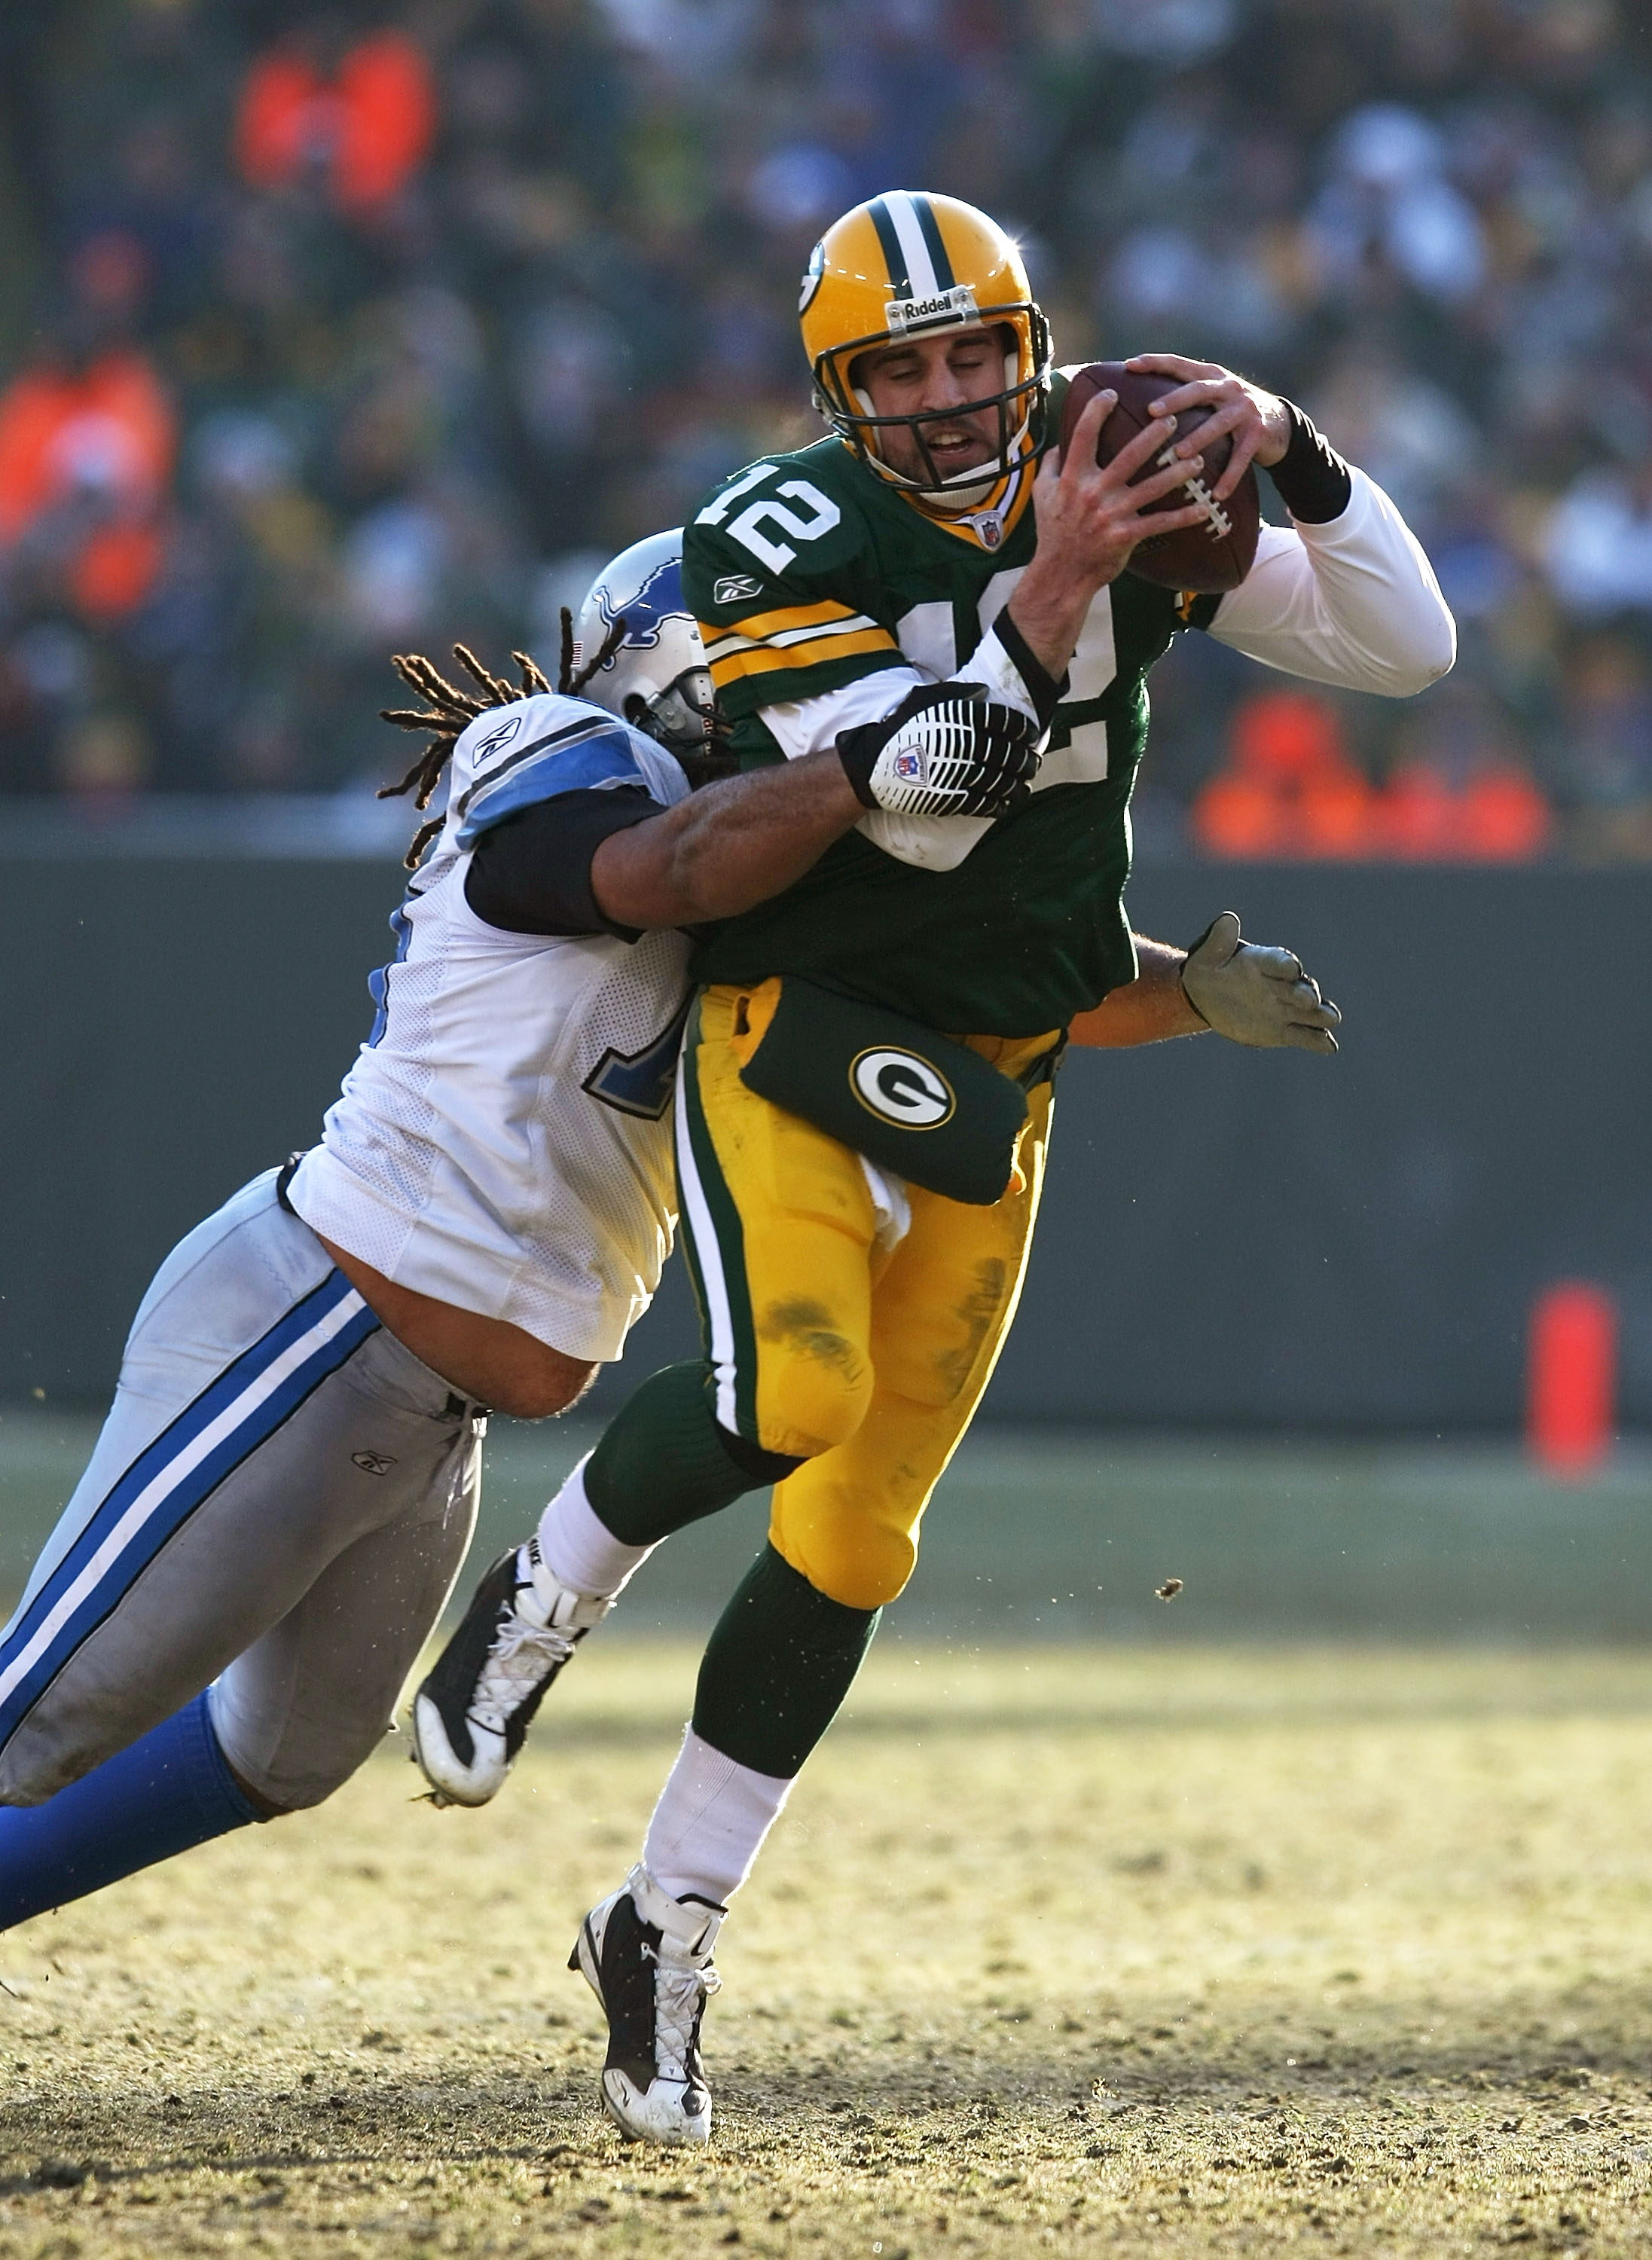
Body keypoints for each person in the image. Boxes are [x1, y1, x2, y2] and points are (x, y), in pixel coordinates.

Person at [416, 189, 1454, 2148]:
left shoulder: (1112, 472)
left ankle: (660, 1926)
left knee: (859, 1535)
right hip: (798, 1013)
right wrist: (1055, 586)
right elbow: (917, 798)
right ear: (844, 391)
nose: (959, 392)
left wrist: (1303, 456)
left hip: (1002, 1057)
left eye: (982, 350)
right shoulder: (782, 530)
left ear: (1029, 342)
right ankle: (543, 1595)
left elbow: (1408, 646)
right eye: (908, 365)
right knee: (787, 1396)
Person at [0, 529, 1037, 1933]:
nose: (815, 710)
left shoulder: (776, 877)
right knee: (40, 1717)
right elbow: (661, 870)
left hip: (431, 1414)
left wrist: (1180, 982)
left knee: (283, 1756)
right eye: (783, 684)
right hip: (318, 1317)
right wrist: (864, 772)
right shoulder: (551, 748)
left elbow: (1011, 974)